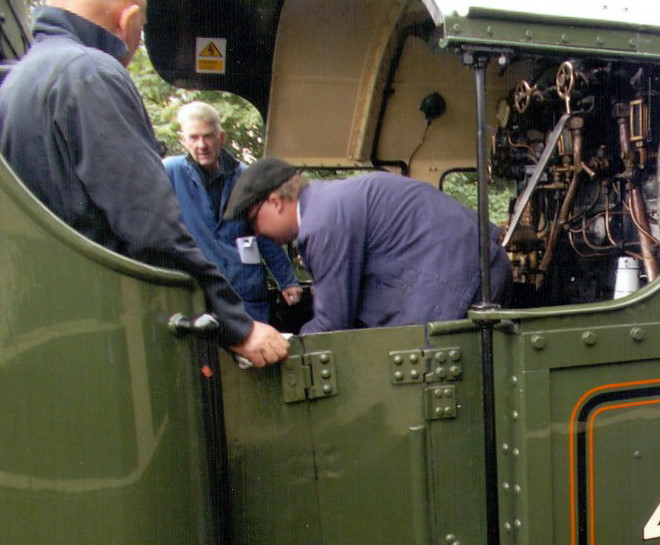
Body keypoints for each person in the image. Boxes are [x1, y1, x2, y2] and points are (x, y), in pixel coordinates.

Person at [0, 0, 288, 367]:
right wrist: (238, 327)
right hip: (102, 326)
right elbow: (151, 228)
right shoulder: (91, 73)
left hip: (51, 327)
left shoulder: (20, 80)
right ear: (129, 19)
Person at [224, 158, 511, 334]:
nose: (256, 233)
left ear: (275, 202)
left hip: (461, 284)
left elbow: (331, 324)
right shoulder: (328, 202)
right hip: (475, 271)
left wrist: (286, 343)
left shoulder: (321, 222)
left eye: (253, 222)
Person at [164, 101, 302, 323]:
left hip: (246, 294)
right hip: (198, 294)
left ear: (221, 137)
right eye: (194, 137)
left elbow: (266, 233)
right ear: (183, 140)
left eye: (208, 136)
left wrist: (287, 280)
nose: (202, 145)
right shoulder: (171, 172)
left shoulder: (245, 177)